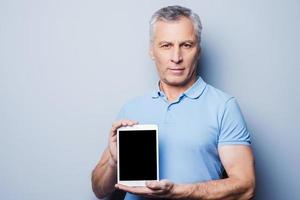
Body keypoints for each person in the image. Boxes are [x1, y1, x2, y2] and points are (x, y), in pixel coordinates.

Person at [91, 5, 255, 200]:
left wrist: (178, 192)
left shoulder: (223, 107)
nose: (176, 57)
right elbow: (99, 190)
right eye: (166, 45)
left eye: (186, 45)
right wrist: (113, 162)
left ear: (198, 50)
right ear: (152, 51)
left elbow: (246, 188)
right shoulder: (131, 109)